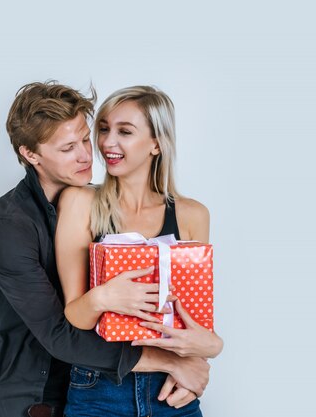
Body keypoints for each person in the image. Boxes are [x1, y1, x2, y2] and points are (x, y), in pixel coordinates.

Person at [0, 81, 210, 417]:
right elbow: (59, 334)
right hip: (36, 398)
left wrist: (202, 354)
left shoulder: (95, 204)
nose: (88, 154)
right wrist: (171, 360)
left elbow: (187, 315)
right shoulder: (8, 228)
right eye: (68, 148)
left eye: (86, 138)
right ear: (31, 154)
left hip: (127, 386)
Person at [56, 86, 224, 417]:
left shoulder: (192, 214)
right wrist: (106, 298)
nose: (106, 142)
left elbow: (192, 318)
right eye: (103, 129)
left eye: (125, 131)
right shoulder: (80, 203)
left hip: (170, 389)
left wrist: (203, 358)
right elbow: (74, 315)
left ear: (156, 143)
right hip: (99, 390)